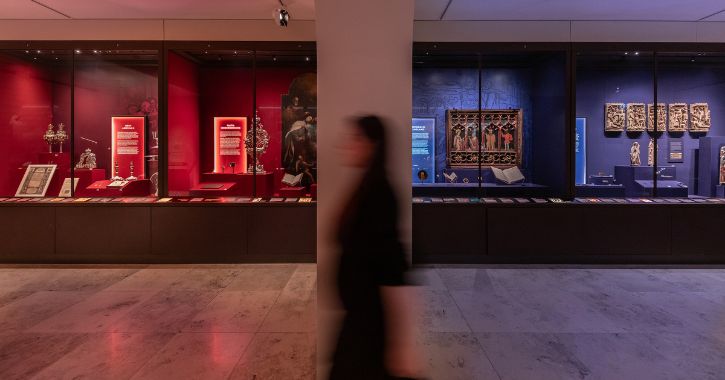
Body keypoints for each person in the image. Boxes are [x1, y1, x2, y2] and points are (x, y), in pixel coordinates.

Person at [330, 115, 421, 380]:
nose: (347, 144)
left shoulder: (381, 194)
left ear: (374, 144)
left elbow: (393, 272)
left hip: (370, 324)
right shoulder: (366, 186)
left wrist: (400, 345)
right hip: (357, 318)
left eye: (356, 138)